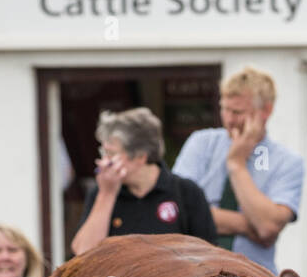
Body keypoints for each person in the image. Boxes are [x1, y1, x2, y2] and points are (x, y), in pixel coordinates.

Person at [172, 66, 304, 273]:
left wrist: (236, 164)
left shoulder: (288, 162)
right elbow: (178, 210)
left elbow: (267, 227)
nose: (229, 119)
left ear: (265, 111)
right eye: (224, 109)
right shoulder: (201, 144)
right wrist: (248, 225)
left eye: (238, 112)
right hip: (194, 274)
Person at [71, 108, 216, 256]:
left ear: (140, 156)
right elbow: (83, 253)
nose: (104, 162)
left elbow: (210, 257)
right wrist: (106, 195)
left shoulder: (186, 192)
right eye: (103, 153)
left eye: (111, 154)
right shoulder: (101, 192)